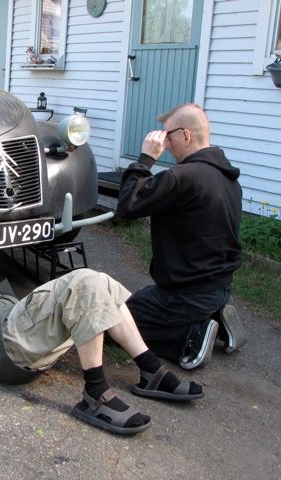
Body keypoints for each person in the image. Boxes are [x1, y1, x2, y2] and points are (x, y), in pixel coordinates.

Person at [0, 261, 204, 436]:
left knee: (101, 283)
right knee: (84, 280)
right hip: (8, 341)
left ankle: (151, 370)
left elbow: (6, 304)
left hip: (21, 347)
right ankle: (96, 393)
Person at [116, 103, 246, 370]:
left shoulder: (181, 177)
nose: (164, 143)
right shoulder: (228, 179)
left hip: (185, 294)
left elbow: (127, 207)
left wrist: (145, 159)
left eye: (167, 136)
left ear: (185, 135)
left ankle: (190, 337)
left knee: (113, 323)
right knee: (136, 308)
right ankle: (214, 318)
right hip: (220, 286)